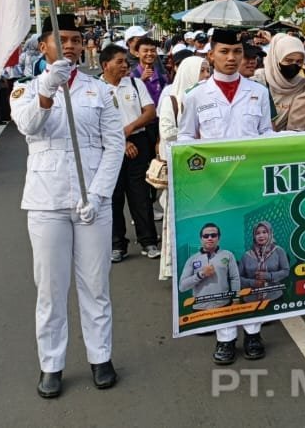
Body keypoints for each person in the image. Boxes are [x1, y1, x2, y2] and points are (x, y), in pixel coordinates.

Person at [11, 14, 125, 398]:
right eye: (62, 40)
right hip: (47, 200)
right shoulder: (25, 90)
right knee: (50, 287)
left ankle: (100, 357)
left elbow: (114, 146)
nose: (72, 45)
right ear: (43, 46)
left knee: (96, 285)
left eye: (77, 39)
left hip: (92, 199)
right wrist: (47, 87)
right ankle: (52, 364)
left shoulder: (100, 91)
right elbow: (29, 126)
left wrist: (99, 193)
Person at [177, 28, 274, 364]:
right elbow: (185, 139)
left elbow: (266, 135)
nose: (231, 58)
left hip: (251, 188)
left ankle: (253, 330)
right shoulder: (196, 95)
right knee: (220, 263)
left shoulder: (258, 93)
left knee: (250, 260)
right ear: (211, 55)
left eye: (236, 51)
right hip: (214, 191)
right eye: (224, 51)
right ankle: (224, 335)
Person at [98, 44, 159, 263]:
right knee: (113, 197)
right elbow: (94, 123)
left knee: (140, 195)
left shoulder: (134, 83)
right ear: (106, 65)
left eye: (126, 61)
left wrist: (129, 130)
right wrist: (121, 142)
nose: (125, 66)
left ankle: (148, 241)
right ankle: (117, 245)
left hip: (138, 142)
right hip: (108, 147)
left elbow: (150, 112)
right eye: (120, 61)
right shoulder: (97, 88)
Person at [156, 55, 210, 280]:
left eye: (208, 71)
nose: (206, 76)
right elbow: (167, 132)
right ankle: (176, 268)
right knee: (178, 217)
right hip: (181, 166)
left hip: (204, 168)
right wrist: (193, 136)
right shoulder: (171, 98)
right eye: (202, 71)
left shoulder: (207, 96)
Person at [178, 222, 241, 311]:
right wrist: (201, 274)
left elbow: (235, 278)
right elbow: (182, 287)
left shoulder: (228, 255)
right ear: (201, 239)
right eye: (206, 236)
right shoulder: (192, 259)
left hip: (224, 305)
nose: (210, 238)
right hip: (200, 308)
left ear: (218, 238)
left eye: (213, 235)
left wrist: (236, 298)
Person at [260, 32, 305, 129]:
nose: (294, 65)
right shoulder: (259, 81)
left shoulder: (303, 85)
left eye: (299, 61)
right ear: (276, 58)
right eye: (288, 60)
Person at [239, 221, 290, 303]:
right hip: (251, 300)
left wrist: (268, 276)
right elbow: (238, 278)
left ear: (270, 233)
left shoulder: (278, 251)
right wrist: (253, 283)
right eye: (257, 233)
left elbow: (286, 271)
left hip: (274, 298)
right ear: (254, 236)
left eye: (264, 232)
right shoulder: (246, 256)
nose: (261, 235)